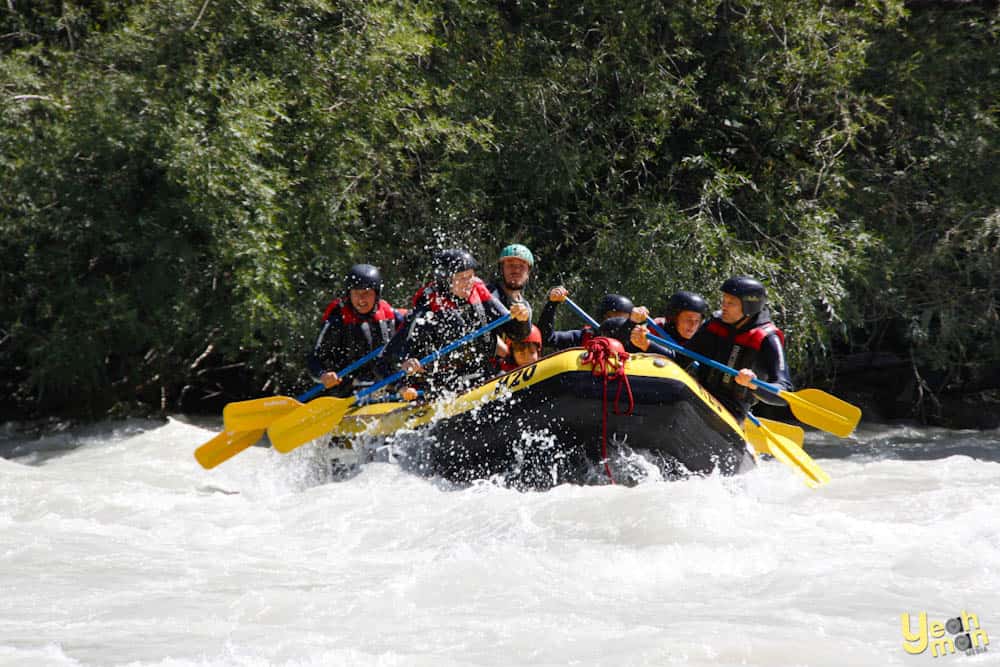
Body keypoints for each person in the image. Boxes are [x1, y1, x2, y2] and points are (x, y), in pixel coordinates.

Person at [378, 248, 530, 394]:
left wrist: (522, 320)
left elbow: (518, 334)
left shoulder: (479, 292)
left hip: (485, 374)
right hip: (444, 385)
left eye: (471, 276)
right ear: (446, 281)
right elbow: (386, 360)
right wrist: (403, 372)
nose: (469, 283)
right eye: (462, 278)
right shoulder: (426, 309)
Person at [684, 276, 793, 422]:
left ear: (749, 307)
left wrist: (753, 384)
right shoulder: (714, 325)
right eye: (724, 300)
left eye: (731, 303)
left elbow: (784, 392)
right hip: (699, 395)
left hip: (732, 411)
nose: (724, 306)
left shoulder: (768, 338)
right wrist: (647, 344)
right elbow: (680, 358)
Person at [307, 263, 406, 396]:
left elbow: (410, 340)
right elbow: (314, 358)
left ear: (377, 294)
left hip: (384, 386)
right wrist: (323, 375)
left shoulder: (390, 316)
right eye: (356, 293)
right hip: (345, 390)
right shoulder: (336, 319)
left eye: (367, 293)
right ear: (349, 294)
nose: (361, 299)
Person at [538, 290, 648, 350]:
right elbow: (547, 339)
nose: (619, 323)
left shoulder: (637, 343)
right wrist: (551, 304)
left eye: (626, 320)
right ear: (603, 318)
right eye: (614, 317)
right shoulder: (583, 336)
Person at [629, 290, 709, 355]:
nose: (693, 325)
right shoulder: (656, 328)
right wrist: (632, 322)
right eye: (688, 319)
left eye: (697, 321)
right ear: (674, 318)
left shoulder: (701, 339)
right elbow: (628, 347)